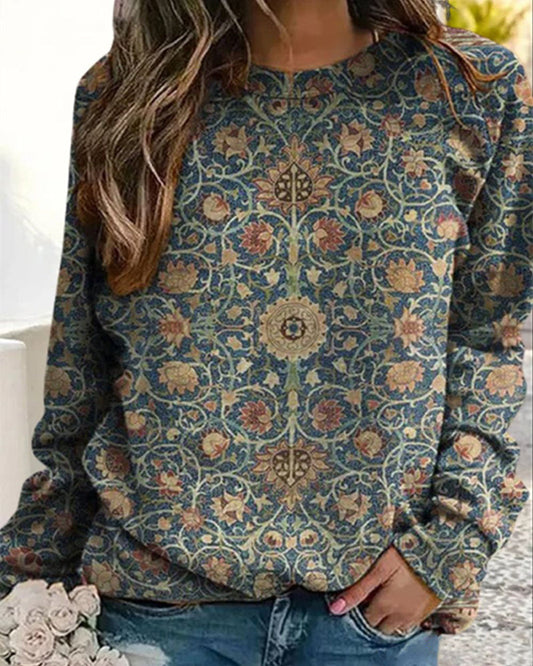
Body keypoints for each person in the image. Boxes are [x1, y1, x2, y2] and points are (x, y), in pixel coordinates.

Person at [1, 1, 532, 664]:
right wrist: (26, 583)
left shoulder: (472, 92)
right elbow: (80, 361)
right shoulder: (126, 93)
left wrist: (450, 543)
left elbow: (489, 338)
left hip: (367, 619)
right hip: (158, 610)